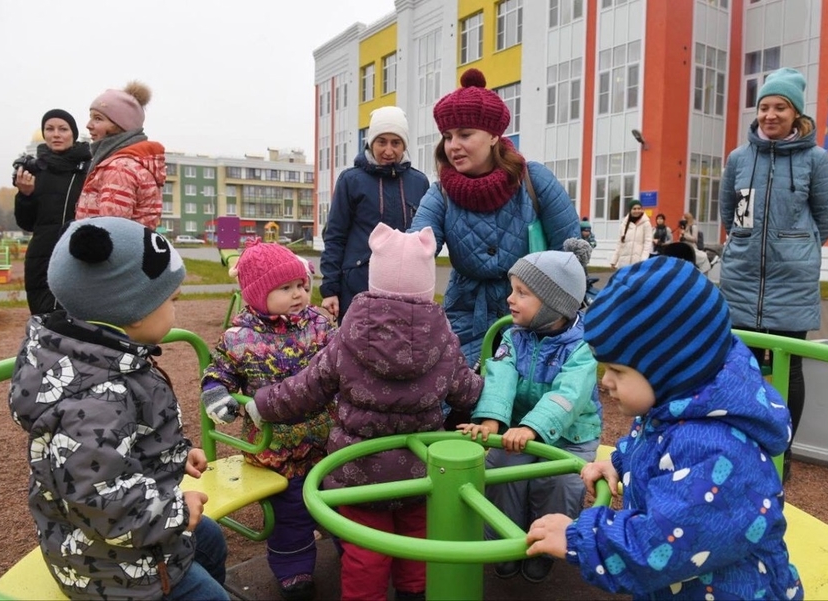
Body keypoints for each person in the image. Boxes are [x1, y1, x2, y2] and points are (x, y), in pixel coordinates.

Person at [525, 256, 803, 600]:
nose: (606, 382)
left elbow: (659, 548)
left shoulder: (714, 450)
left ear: (671, 368)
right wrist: (620, 462)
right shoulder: (683, 404)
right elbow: (654, 439)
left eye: (618, 370)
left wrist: (580, 538)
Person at [246, 223, 484, 601]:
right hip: (418, 470)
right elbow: (467, 392)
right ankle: (413, 594)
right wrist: (493, 392)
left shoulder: (348, 337)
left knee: (365, 554)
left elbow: (308, 388)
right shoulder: (444, 341)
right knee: (417, 542)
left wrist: (262, 404)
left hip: (357, 472)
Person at [8, 217, 229, 600]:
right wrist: (175, 512)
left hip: (132, 531)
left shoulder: (104, 356)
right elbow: (103, 503)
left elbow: (127, 444)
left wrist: (176, 457)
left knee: (209, 539)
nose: (176, 311)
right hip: (114, 568)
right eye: (171, 301)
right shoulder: (95, 399)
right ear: (135, 312)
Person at [409, 68, 580, 367]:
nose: (453, 146)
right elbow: (414, 249)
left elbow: (570, 256)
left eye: (465, 134)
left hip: (535, 316)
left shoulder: (534, 180)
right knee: (455, 400)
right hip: (466, 315)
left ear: (494, 136)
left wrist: (573, 319)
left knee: (530, 402)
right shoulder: (441, 194)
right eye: (448, 137)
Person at [719, 67, 828, 483]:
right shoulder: (739, 158)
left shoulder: (815, 159)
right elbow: (727, 214)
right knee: (740, 368)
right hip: (740, 281)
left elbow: (826, 218)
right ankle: (742, 449)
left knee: (790, 371)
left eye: (780, 107)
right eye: (764, 106)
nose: (770, 115)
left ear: (796, 113)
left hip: (792, 282)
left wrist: (796, 246)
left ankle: (782, 457)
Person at [200, 240, 334, 600]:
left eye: (302, 286)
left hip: (327, 438)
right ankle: (295, 571)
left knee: (336, 494)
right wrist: (218, 397)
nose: (298, 295)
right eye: (285, 288)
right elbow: (218, 373)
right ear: (258, 294)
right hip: (276, 449)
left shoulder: (319, 323)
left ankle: (346, 540)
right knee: (290, 514)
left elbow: (341, 360)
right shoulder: (239, 338)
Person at [459, 248, 601, 584]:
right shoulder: (514, 335)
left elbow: (568, 394)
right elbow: (501, 376)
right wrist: (493, 419)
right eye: (513, 289)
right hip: (519, 429)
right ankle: (504, 541)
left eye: (522, 293)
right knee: (502, 469)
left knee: (559, 482)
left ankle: (547, 545)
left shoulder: (582, 347)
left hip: (571, 435)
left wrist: (532, 427)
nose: (510, 299)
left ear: (554, 305)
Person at [320, 105, 429, 323]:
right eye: (382, 142)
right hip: (358, 286)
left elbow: (426, 235)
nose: (389, 151)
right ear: (371, 143)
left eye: (396, 143)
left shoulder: (419, 182)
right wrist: (330, 288)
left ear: (404, 145)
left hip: (405, 288)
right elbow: (335, 235)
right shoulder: (351, 180)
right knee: (359, 350)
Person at [13, 108, 91, 315]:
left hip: (79, 254)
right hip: (42, 256)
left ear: (73, 134)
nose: (56, 134)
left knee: (79, 321)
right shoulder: (34, 171)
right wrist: (25, 195)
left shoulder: (88, 169)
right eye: (50, 129)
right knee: (44, 319)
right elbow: (26, 224)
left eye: (63, 129)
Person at [76, 81, 165, 229]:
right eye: (91, 117)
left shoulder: (119, 168)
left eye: (98, 118)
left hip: (105, 251)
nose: (88, 125)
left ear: (120, 125)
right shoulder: (128, 162)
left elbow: (111, 232)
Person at [609, 199, 653, 269]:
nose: (637, 211)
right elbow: (620, 244)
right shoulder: (624, 224)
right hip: (623, 262)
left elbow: (647, 243)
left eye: (639, 208)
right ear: (630, 210)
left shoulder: (646, 223)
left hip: (638, 262)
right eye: (634, 209)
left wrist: (643, 261)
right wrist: (614, 261)